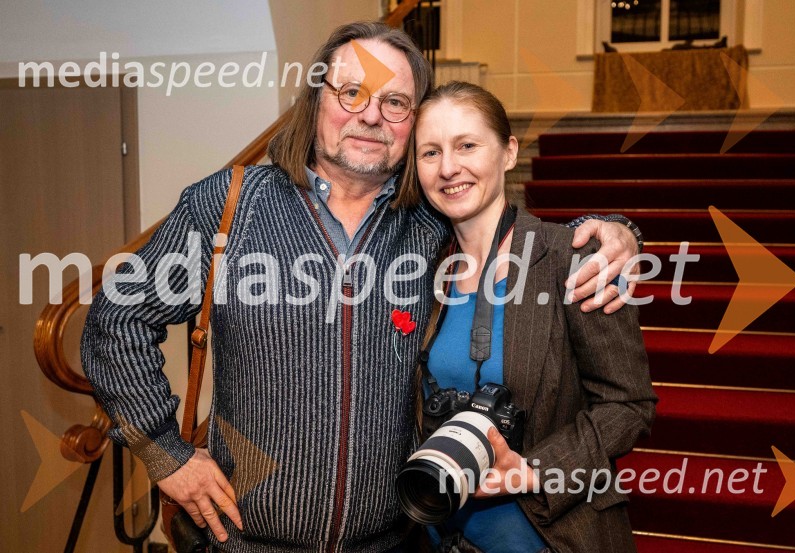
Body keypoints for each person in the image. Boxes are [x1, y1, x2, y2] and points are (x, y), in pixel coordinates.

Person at [81, 22, 643, 552]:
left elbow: (498, 227)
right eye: (351, 92)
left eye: (395, 103)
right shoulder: (229, 207)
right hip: (246, 541)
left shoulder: (426, 227)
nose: (371, 116)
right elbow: (116, 321)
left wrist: (612, 234)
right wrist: (167, 455)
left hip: (394, 542)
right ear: (317, 101)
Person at [409, 81, 656, 552]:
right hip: (438, 532)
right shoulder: (419, 269)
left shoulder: (574, 260)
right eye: (430, 152)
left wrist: (534, 470)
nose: (448, 168)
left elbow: (630, 407)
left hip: (548, 535)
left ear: (508, 152)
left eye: (467, 145)